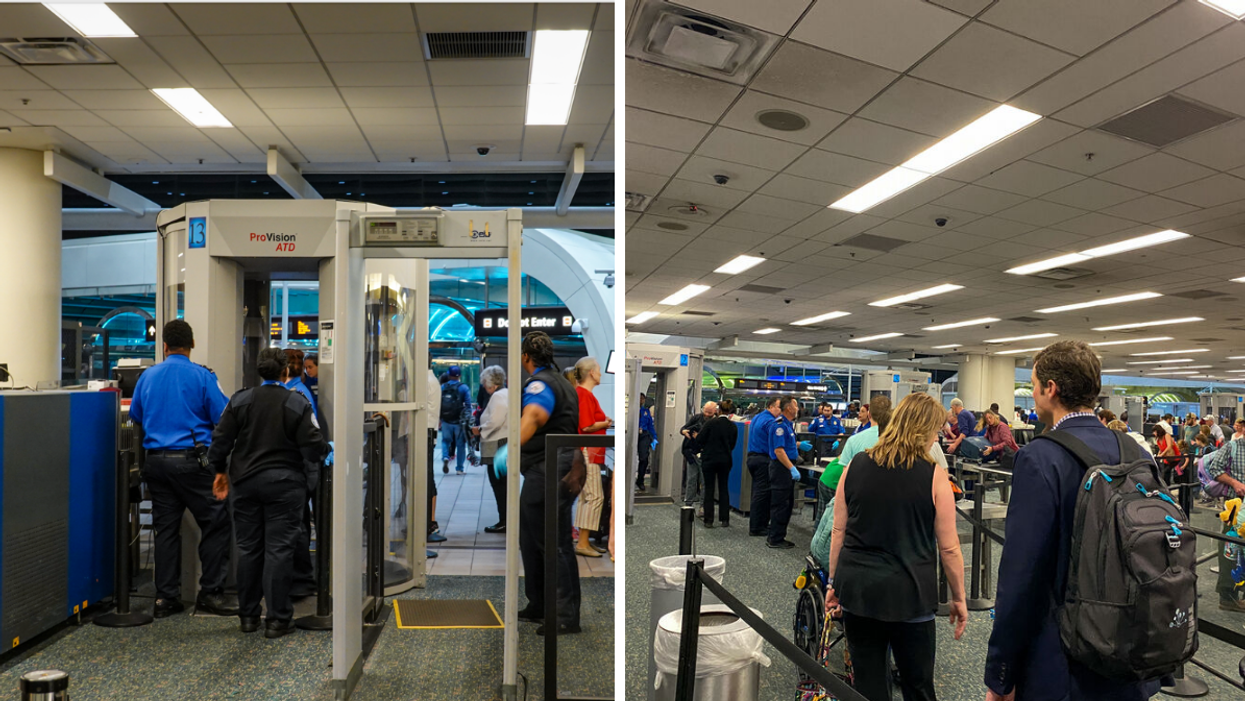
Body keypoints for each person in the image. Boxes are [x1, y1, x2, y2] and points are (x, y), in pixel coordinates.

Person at [986, 340, 1161, 701]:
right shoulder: (1136, 451)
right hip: (1132, 649)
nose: (1033, 394)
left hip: (1064, 659)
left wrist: (1001, 674)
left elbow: (1022, 576)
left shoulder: (1041, 457)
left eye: (1034, 385)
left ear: (1051, 389)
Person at [825, 392, 967, 701]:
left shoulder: (855, 465)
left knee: (868, 685)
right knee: (917, 685)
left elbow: (839, 531)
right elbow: (950, 548)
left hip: (859, 590)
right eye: (936, 431)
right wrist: (958, 597)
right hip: (910, 593)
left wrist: (834, 582)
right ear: (923, 429)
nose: (936, 439)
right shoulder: (934, 476)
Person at [208, 348, 328, 638]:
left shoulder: (240, 399)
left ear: (259, 372)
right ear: (285, 372)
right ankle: (277, 620)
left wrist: (220, 471)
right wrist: (321, 454)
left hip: (245, 485)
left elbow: (220, 440)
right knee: (279, 550)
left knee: (248, 549)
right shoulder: (296, 402)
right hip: (285, 487)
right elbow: (314, 446)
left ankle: (248, 617)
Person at [127, 319, 238, 619]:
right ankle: (211, 593)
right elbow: (223, 416)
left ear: (164, 345)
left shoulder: (147, 377)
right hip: (193, 463)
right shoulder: (202, 377)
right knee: (216, 523)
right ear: (191, 345)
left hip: (156, 464)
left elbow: (135, 415)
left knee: (165, 530)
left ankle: (165, 599)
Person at [516, 331, 581, 635]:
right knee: (533, 540)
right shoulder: (563, 382)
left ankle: (563, 614)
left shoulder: (540, 383)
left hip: (549, 469)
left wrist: (511, 446)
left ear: (525, 357)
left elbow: (535, 414)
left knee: (553, 543)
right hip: (552, 467)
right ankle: (540, 603)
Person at [815, 396, 893, 539]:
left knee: (831, 524)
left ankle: (819, 552)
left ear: (870, 414)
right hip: (882, 497)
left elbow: (845, 475)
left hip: (852, 491)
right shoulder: (897, 440)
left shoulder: (855, 438)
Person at [1201, 436, 1245, 612]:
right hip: (1236, 506)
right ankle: (1227, 597)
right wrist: (1234, 482)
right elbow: (1215, 468)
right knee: (1230, 551)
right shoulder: (1232, 446)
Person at [573, 357, 610, 558]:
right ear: (591, 373)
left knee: (586, 497)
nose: (601, 373)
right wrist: (604, 424)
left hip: (586, 451)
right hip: (589, 451)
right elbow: (586, 426)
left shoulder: (583, 394)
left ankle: (583, 540)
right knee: (595, 496)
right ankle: (583, 542)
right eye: (598, 370)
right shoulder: (585, 395)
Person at [474, 365, 509, 534]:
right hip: (505, 443)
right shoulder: (508, 393)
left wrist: (480, 429)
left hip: (497, 444)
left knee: (499, 485)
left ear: (490, 384)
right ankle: (506, 519)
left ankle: (504, 520)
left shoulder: (498, 396)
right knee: (504, 484)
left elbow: (495, 420)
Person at [696, 399, 738, 528]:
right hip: (725, 460)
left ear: (719, 411)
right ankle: (724, 519)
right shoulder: (733, 426)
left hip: (709, 459)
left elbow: (699, 439)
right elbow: (732, 445)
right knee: (723, 488)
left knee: (709, 489)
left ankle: (708, 520)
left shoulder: (711, 423)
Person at [765, 396, 801, 549]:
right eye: (796, 405)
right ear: (789, 408)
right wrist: (791, 468)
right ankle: (775, 538)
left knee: (787, 503)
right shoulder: (779, 425)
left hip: (786, 466)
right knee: (781, 504)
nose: (798, 408)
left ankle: (778, 535)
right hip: (781, 468)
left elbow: (786, 445)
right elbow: (779, 451)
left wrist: (799, 446)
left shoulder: (787, 425)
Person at [747, 397, 781, 538]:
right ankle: (756, 527)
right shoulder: (770, 421)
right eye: (779, 407)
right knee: (762, 495)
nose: (781, 410)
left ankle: (759, 524)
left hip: (753, 458)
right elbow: (777, 442)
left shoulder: (758, 417)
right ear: (771, 406)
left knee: (759, 493)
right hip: (763, 460)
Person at [679, 402, 716, 507]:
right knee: (691, 479)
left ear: (715, 411)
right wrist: (684, 432)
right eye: (706, 411)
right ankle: (688, 503)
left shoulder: (715, 422)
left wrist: (699, 437)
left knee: (704, 481)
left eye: (710, 412)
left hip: (705, 454)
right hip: (691, 453)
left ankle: (703, 505)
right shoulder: (696, 418)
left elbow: (713, 439)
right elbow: (683, 428)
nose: (707, 414)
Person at [439, 366, 472, 474]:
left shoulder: (443, 387)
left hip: (446, 419)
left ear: (449, 375)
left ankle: (445, 457)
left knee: (445, 441)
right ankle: (459, 469)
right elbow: (468, 405)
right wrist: (468, 420)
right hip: (459, 421)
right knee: (460, 444)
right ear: (460, 376)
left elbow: (438, 403)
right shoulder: (464, 388)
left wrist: (440, 418)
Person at [636, 393, 656, 490]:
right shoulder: (631, 410)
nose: (640, 400)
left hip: (644, 435)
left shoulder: (646, 412)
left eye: (642, 398)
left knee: (644, 458)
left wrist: (654, 437)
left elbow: (650, 426)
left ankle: (640, 480)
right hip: (631, 434)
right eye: (639, 398)